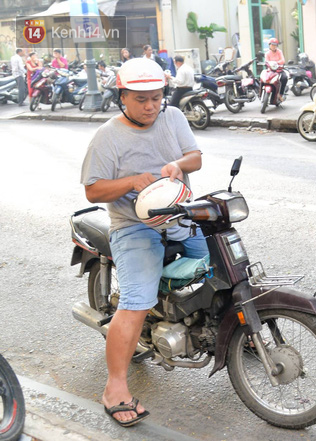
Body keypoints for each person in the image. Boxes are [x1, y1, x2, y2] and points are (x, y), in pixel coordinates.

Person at [80, 57, 207, 427]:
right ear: (123, 97)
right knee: (137, 302)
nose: (151, 106)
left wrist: (179, 165)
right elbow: (93, 189)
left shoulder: (173, 118)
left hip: (181, 214)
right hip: (134, 226)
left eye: (156, 98)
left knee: (227, 265)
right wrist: (131, 181)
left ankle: (240, 330)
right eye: (141, 99)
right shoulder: (108, 136)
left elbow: (196, 157)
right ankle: (114, 387)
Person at [265, 38, 289, 102]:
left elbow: (282, 60)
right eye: (272, 45)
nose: (274, 46)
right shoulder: (267, 53)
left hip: (279, 70)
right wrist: (273, 63)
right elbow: (267, 62)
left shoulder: (279, 52)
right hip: (271, 71)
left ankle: (281, 94)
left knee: (284, 78)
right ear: (269, 45)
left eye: (275, 45)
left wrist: (275, 63)